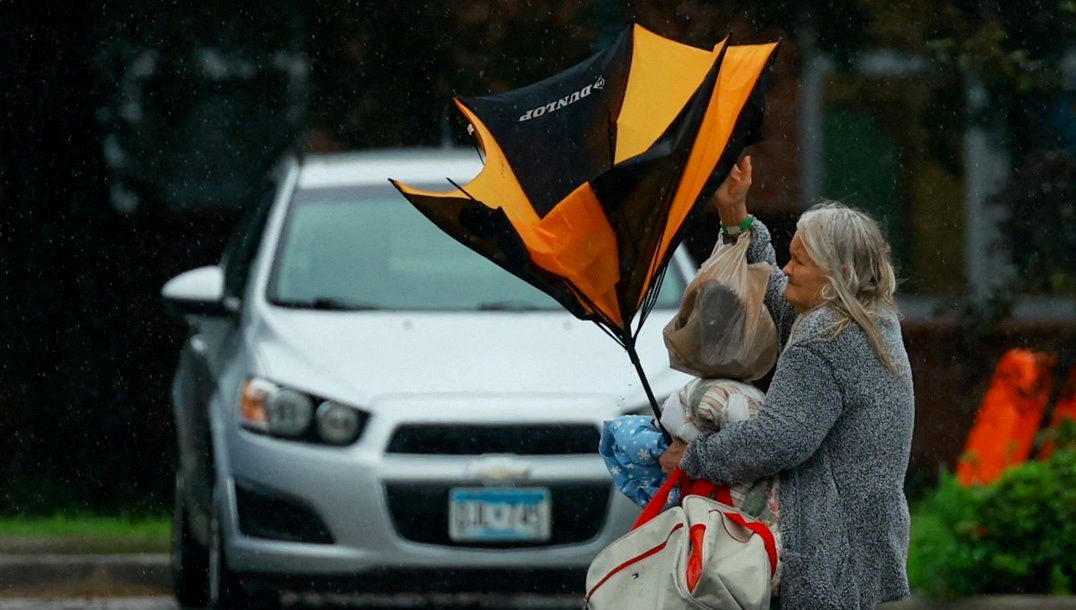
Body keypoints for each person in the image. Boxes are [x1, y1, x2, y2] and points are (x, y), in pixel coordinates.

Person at [659, 156, 915, 609]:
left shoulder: (827, 337)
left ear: (838, 276)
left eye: (799, 260)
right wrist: (736, 216)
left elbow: (776, 438)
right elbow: (776, 295)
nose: (788, 269)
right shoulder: (871, 316)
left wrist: (694, 456)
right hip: (865, 536)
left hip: (829, 548)